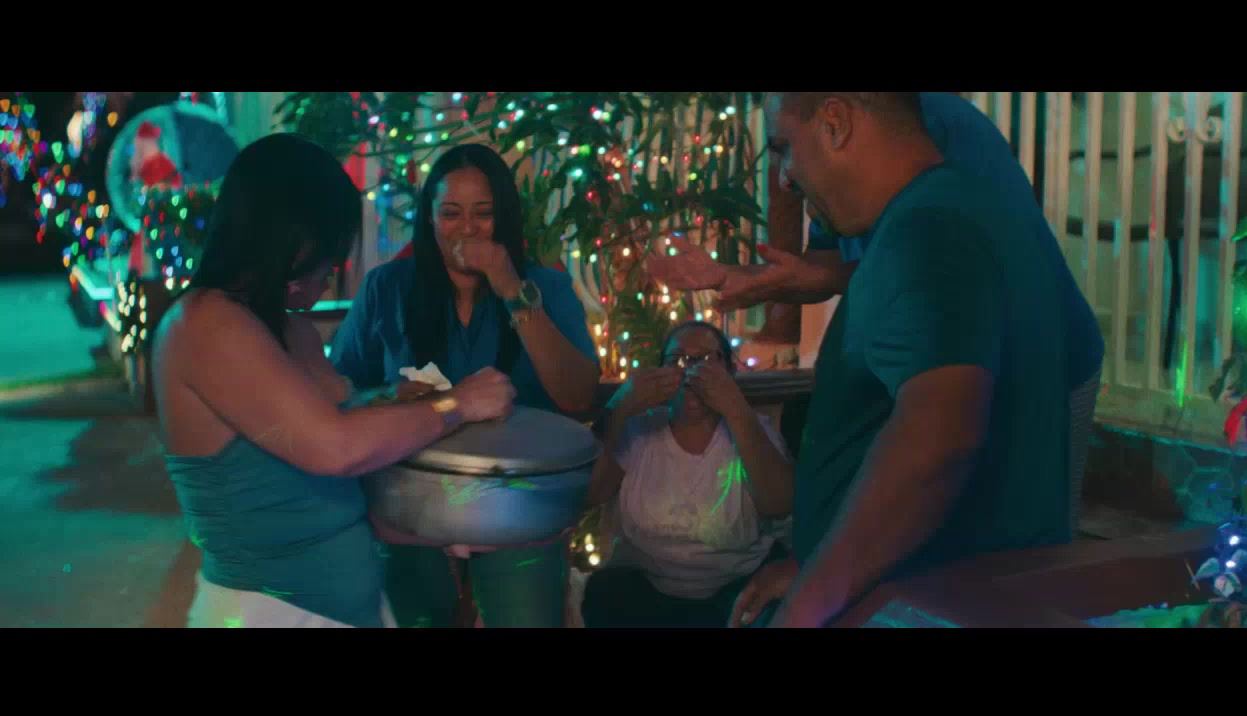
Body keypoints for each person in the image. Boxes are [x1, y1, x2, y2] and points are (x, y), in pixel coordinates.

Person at [648, 92, 1104, 627]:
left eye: (784, 147)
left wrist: (807, 606)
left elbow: (938, 439)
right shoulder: (945, 211)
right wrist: (822, 562)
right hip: (932, 583)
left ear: (835, 122)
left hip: (938, 603)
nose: (786, 178)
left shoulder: (928, 228)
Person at [153, 133, 516, 628]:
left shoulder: (290, 328)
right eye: (331, 247)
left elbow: (336, 468)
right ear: (291, 237)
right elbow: (336, 447)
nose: (335, 266)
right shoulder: (204, 324)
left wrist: (451, 524)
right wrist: (458, 404)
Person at [329, 143, 601, 628]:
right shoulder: (387, 288)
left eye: (483, 213)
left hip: (519, 508)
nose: (467, 229)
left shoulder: (546, 287)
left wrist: (511, 288)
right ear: (429, 218)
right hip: (409, 505)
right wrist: (390, 398)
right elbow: (340, 397)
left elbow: (578, 399)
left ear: (504, 217)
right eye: (451, 214)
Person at [578, 321, 793, 627]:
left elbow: (779, 503)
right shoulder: (638, 430)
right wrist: (618, 408)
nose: (691, 370)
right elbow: (588, 493)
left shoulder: (753, 428)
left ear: (729, 371)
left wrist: (736, 408)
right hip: (644, 590)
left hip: (736, 586)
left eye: (705, 359)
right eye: (678, 360)